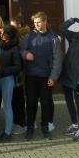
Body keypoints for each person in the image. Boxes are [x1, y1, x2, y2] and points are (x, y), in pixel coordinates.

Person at [20, 11, 61, 141]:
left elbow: (57, 60)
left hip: (46, 77)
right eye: (34, 22)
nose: (36, 25)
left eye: (38, 22)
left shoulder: (53, 38)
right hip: (31, 76)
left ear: (45, 22)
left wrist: (53, 77)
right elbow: (21, 50)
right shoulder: (29, 36)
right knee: (30, 103)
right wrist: (25, 54)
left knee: (46, 104)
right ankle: (30, 127)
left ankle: (45, 127)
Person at [0, 24, 22, 141]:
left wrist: (3, 70)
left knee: (7, 106)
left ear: (10, 35)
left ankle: (8, 133)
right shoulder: (0, 44)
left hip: (7, 79)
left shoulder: (15, 48)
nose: (2, 35)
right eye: (2, 33)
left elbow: (18, 67)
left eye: (4, 34)